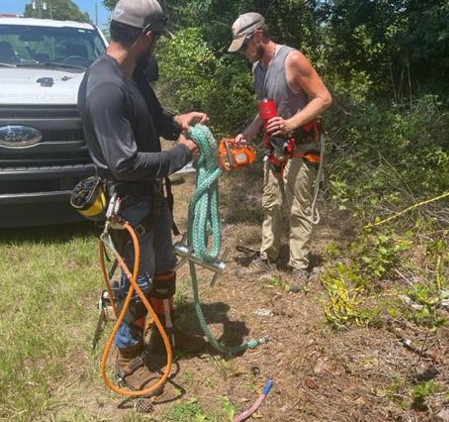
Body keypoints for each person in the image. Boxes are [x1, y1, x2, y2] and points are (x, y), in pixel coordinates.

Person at [78, 0, 207, 395]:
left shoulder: (131, 75)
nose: (157, 47)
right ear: (145, 36)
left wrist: (177, 123)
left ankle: (164, 336)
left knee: (164, 267)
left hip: (151, 197)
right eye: (156, 39)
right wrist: (181, 155)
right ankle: (130, 359)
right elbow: (124, 163)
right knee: (138, 282)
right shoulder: (105, 87)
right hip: (129, 201)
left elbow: (153, 115)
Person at [228, 12, 332, 292]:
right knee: (270, 204)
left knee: (299, 208)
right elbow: (266, 108)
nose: (243, 54)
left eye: (245, 46)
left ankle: (300, 267)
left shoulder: (292, 60)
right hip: (275, 147)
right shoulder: (258, 69)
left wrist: (290, 124)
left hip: (302, 144)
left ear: (259, 35)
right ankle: (268, 257)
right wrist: (249, 132)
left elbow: (324, 98)